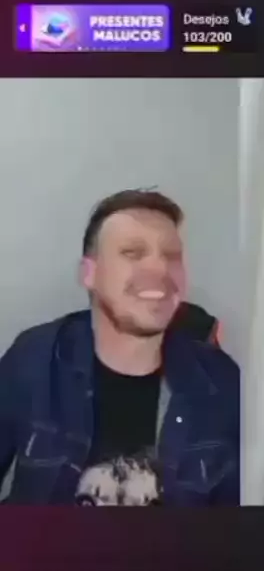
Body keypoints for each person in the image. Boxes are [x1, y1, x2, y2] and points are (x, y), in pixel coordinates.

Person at [0, 189, 239, 505]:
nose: (160, 269)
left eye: (171, 255)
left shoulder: (222, 383)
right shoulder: (34, 359)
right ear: (89, 273)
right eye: (133, 253)